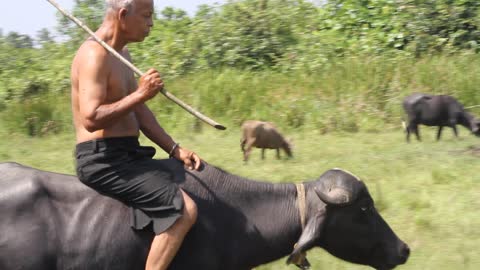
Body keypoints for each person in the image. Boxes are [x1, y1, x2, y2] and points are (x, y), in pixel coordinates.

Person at [71, 0, 200, 269]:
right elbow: (91, 118)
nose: (151, 24)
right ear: (122, 15)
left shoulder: (122, 54)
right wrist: (141, 93)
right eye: (146, 16)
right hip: (103, 160)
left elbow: (139, 112)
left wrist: (175, 149)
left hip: (130, 153)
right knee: (184, 211)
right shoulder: (94, 55)